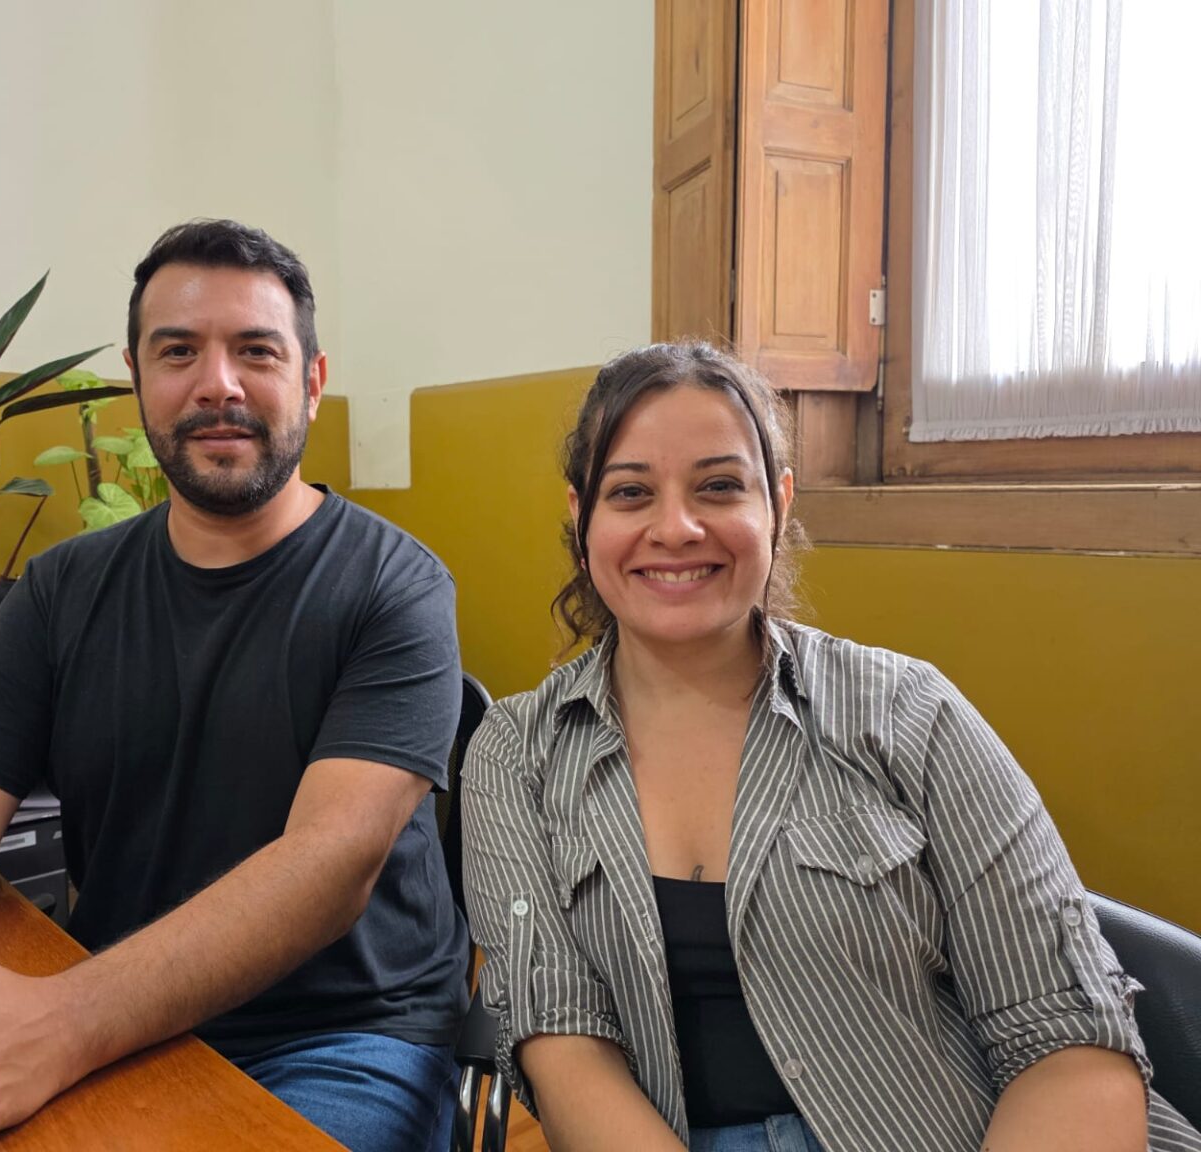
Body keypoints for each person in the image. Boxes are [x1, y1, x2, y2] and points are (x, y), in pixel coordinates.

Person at [0, 219, 469, 1152]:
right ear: (137, 379)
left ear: (312, 380)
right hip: (117, 1011)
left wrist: (55, 1024)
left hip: (338, 1040)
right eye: (177, 351)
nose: (217, 384)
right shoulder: (63, 588)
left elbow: (327, 863)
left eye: (256, 351)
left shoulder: (395, 585)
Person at [460, 342, 1201, 1152]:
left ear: (777, 502)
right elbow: (563, 1045)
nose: (676, 528)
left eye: (719, 486)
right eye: (631, 492)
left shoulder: (909, 711)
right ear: (581, 518)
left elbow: (1065, 1032)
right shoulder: (514, 753)